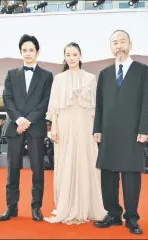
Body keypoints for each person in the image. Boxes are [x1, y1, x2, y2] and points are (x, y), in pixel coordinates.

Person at [93, 30, 148, 235]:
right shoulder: (104, 74)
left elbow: (147, 101)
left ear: (130, 44)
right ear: (111, 47)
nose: (118, 46)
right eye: (115, 43)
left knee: (131, 176)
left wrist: (145, 129)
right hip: (108, 132)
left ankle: (132, 218)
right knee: (108, 174)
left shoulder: (142, 70)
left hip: (133, 132)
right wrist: (97, 129)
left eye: (122, 42)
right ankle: (112, 214)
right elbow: (99, 105)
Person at [44, 42, 107, 225]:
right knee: (65, 163)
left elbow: (96, 108)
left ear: (80, 55)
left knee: (87, 162)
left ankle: (88, 206)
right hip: (64, 126)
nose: (71, 58)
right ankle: (67, 205)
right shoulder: (59, 79)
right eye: (68, 55)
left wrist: (97, 130)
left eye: (74, 54)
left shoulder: (90, 78)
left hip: (86, 126)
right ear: (64, 57)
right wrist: (54, 128)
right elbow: (54, 108)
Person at [0, 34, 53, 222]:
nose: (28, 53)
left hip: (35, 128)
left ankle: (36, 207)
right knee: (12, 169)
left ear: (37, 52)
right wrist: (19, 119)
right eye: (24, 50)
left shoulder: (46, 76)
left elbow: (46, 101)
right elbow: (7, 99)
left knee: (38, 170)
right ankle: (11, 207)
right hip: (15, 127)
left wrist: (28, 120)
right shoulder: (11, 74)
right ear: (20, 52)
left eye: (31, 50)